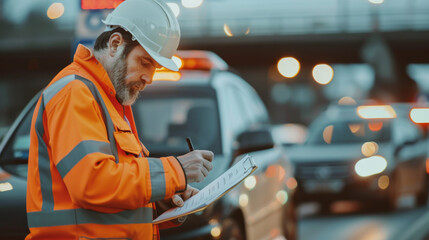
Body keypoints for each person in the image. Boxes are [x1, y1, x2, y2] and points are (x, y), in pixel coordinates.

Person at [25, 0, 214, 239]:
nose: (149, 78)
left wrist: (163, 203)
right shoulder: (75, 92)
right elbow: (92, 184)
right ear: (115, 44)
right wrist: (177, 170)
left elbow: (116, 187)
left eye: (154, 67)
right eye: (145, 62)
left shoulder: (110, 101)